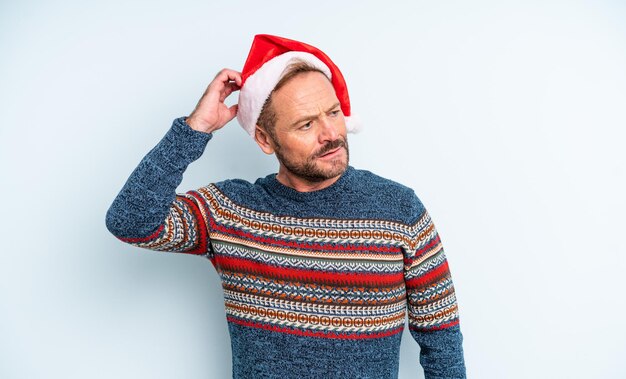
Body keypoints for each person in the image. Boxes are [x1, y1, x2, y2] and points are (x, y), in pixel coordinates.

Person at [106, 34, 466, 379]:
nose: (330, 134)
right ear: (265, 139)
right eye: (306, 124)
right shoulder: (230, 212)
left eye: (334, 112)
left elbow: (442, 339)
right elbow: (131, 221)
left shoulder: (399, 209)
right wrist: (194, 129)